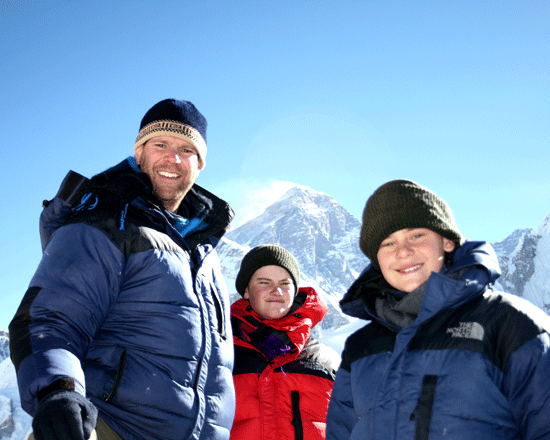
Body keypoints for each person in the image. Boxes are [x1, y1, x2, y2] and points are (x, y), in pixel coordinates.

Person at [9, 99, 236, 440]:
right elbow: (52, 318)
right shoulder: (105, 219)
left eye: (186, 150)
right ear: (140, 152)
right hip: (114, 427)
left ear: (200, 164)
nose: (172, 158)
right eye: (160, 144)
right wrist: (59, 391)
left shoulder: (205, 253)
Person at [326, 179, 550, 440]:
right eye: (388, 243)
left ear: (447, 241)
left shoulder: (512, 324)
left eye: (416, 235)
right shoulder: (360, 347)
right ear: (376, 259)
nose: (403, 251)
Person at [230, 245, 341, 440]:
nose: (277, 291)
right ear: (246, 291)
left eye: (285, 283)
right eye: (264, 282)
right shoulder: (222, 356)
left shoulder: (326, 362)